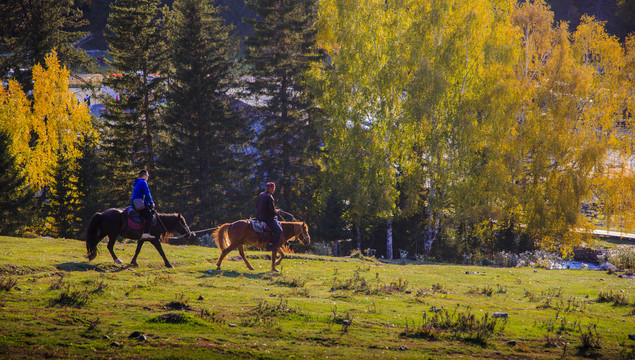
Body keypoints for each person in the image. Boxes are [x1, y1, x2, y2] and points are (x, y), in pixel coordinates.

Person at [256, 182, 282, 251]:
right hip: (267, 219)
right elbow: (272, 211)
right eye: (273, 188)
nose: (274, 190)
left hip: (259, 217)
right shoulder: (269, 197)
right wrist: (277, 211)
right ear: (270, 188)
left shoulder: (261, 195)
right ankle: (270, 245)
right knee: (279, 230)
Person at [131, 169, 155, 239]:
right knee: (150, 216)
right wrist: (151, 202)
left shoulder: (137, 182)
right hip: (139, 203)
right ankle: (146, 233)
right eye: (147, 176)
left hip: (134, 203)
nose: (148, 177)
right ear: (144, 175)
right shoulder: (143, 182)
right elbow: (147, 193)